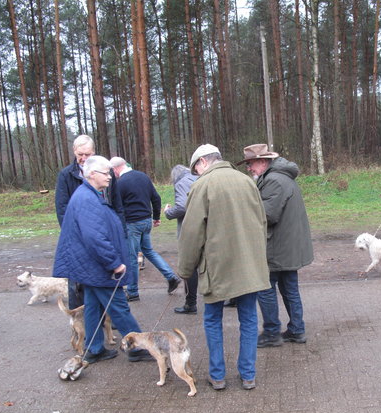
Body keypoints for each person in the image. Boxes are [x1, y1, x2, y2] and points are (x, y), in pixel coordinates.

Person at [177, 144, 270, 391]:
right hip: (248, 264)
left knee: (212, 319)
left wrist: (185, 270)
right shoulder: (247, 181)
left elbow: (191, 233)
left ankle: (217, 376)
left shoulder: (202, 185)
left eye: (195, 168)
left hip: (216, 266)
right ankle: (248, 375)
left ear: (202, 163)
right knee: (249, 318)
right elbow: (262, 222)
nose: (196, 173)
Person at [53, 156, 152, 363]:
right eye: (105, 173)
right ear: (91, 174)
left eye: (110, 172)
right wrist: (114, 263)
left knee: (92, 305)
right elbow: (95, 238)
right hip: (96, 266)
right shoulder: (86, 199)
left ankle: (94, 348)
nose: (110, 176)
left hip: (89, 265)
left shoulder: (89, 195)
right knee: (118, 306)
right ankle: (136, 347)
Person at [236, 143, 313, 348]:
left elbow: (267, 215)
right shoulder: (279, 177)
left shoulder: (274, 180)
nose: (249, 168)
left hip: (277, 246)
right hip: (287, 245)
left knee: (266, 289)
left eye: (250, 163)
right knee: (290, 289)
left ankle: (272, 332)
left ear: (262, 161)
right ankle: (297, 330)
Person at [55, 135, 124, 309]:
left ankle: (108, 320)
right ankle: (80, 328)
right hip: (79, 239)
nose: (84, 158)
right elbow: (62, 210)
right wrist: (76, 237)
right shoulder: (65, 175)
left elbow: (117, 206)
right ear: (74, 152)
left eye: (88, 153)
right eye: (80, 154)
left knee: (106, 279)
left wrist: (121, 231)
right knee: (77, 285)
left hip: (104, 235)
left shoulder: (106, 174)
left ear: (94, 151)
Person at [110, 157, 180, 302]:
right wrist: (156, 217)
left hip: (132, 224)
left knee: (132, 258)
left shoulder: (120, 183)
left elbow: (117, 207)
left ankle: (133, 291)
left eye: (112, 171)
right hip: (146, 221)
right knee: (148, 251)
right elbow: (156, 198)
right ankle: (171, 276)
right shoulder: (143, 177)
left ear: (116, 168)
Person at [164, 164, 199, 314]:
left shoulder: (180, 183)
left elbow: (182, 207)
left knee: (189, 267)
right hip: (205, 227)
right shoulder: (198, 178)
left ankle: (190, 303)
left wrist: (167, 212)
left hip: (189, 231)